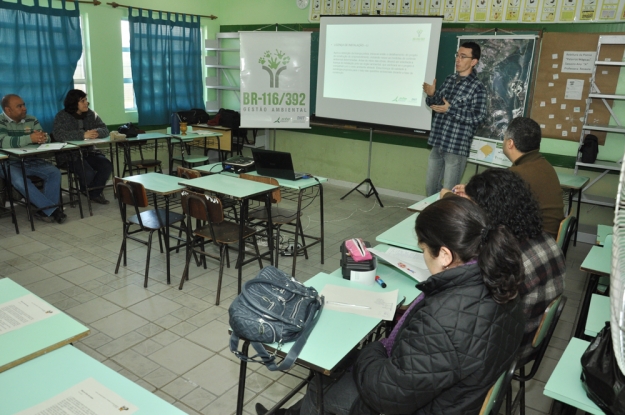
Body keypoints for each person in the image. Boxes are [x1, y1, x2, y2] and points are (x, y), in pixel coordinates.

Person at [256, 196, 525, 415]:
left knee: (322, 380)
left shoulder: (442, 319)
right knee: (339, 367)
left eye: (423, 249)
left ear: (445, 254)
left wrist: (370, 351)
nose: (423, 257)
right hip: (459, 397)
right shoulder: (504, 281)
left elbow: (387, 395)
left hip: (421, 406)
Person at [463, 168, 566, 361]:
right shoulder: (546, 239)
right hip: (530, 340)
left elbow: (474, 319)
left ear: (489, 213)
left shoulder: (507, 262)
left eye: (473, 209)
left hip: (506, 353)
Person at [452, 117, 564, 238]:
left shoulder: (515, 175)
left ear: (510, 143)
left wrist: (450, 196)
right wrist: (473, 191)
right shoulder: (544, 165)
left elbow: (488, 211)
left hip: (531, 242)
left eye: (504, 137)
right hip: (548, 240)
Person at [423, 41, 487, 197]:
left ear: (474, 62)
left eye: (463, 56)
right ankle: (433, 220)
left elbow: (479, 117)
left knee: (450, 194)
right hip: (438, 141)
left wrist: (450, 109)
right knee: (430, 188)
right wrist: (431, 95)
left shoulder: (478, 87)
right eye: (457, 55)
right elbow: (437, 104)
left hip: (456, 147)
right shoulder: (450, 79)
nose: (458, 60)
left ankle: (446, 221)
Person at [0, 94, 66, 224]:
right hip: (7, 163)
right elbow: (2, 141)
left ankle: (45, 211)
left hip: (29, 159)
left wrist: (42, 138)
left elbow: (45, 137)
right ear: (8, 110)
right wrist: (29, 139)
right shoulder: (1, 121)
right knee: (20, 181)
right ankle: (52, 210)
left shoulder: (31, 119)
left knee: (54, 172)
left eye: (24, 104)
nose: (24, 108)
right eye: (19, 106)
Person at [53, 89, 113, 204]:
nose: (86, 103)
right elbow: (58, 135)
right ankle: (89, 190)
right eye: (82, 101)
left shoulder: (91, 114)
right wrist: (82, 135)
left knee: (106, 165)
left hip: (89, 152)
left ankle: (93, 193)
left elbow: (105, 129)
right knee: (88, 172)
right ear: (74, 103)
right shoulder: (62, 116)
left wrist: (97, 132)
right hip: (69, 155)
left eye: (86, 100)